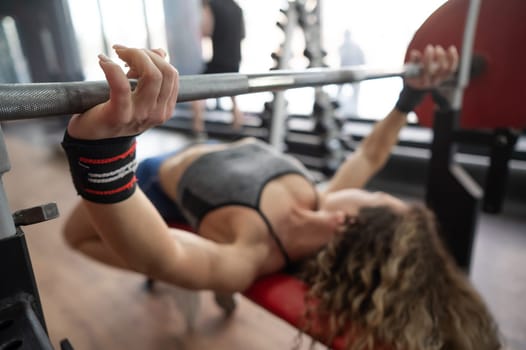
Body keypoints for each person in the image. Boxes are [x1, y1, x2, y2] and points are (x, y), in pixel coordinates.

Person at [61, 44, 501, 350]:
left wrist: (103, 153)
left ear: (345, 224)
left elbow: (165, 256)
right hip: (199, 161)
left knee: (77, 236)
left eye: (378, 199)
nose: (370, 190)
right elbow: (371, 153)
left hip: (154, 186)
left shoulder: (249, 255)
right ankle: (193, 268)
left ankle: (192, 266)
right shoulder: (322, 199)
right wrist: (412, 95)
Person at [191, 0, 245, 136]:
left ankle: (198, 128)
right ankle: (237, 126)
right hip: (234, 59)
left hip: (219, 59)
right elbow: (243, 35)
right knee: (234, 94)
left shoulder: (212, 5)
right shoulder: (237, 8)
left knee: (195, 90)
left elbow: (205, 31)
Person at [338, 29, 365, 116]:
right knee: (341, 92)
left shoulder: (351, 47)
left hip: (352, 73)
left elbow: (362, 59)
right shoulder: (343, 47)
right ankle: (340, 110)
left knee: (354, 93)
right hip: (345, 73)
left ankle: (352, 111)